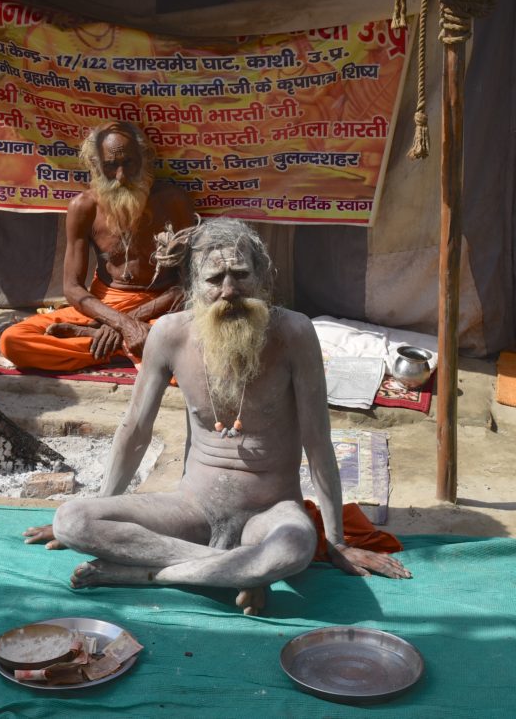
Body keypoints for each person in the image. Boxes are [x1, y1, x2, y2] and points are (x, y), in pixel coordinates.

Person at [23, 217, 411, 615]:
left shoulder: (294, 334)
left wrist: (336, 541)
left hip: (269, 513)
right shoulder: (170, 334)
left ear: (262, 277)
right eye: (215, 279)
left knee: (295, 547)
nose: (229, 291)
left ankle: (150, 573)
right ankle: (239, 572)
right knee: (73, 520)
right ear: (192, 286)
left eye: (240, 275)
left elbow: (317, 444)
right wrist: (103, 511)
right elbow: (135, 429)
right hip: (191, 509)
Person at [0, 121, 195, 372]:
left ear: (145, 159)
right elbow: (72, 288)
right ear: (95, 165)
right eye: (111, 166)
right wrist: (122, 324)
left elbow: (189, 282)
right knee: (14, 340)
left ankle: (97, 340)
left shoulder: (173, 201)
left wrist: (128, 321)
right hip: (103, 307)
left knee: (196, 349)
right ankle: (136, 350)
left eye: (129, 163)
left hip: (161, 307)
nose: (121, 176)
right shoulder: (83, 207)